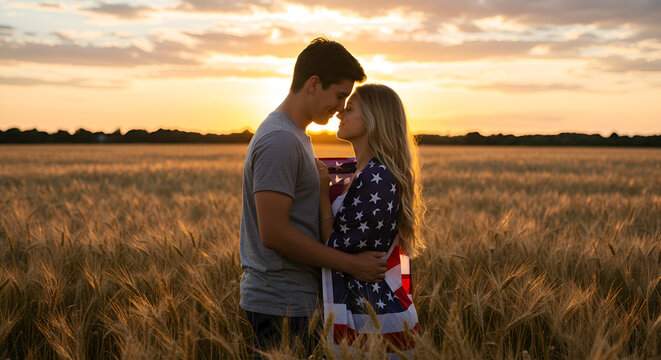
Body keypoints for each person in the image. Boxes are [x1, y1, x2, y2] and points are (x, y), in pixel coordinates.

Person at [239, 37, 388, 358]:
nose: (339, 108)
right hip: (282, 305)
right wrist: (353, 265)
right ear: (314, 83)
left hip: (295, 303)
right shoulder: (280, 140)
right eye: (338, 95)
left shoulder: (294, 136)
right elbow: (274, 233)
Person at [317, 84, 424, 358]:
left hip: (373, 319)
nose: (340, 112)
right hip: (368, 312)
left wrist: (321, 195)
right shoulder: (362, 172)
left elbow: (335, 248)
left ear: (373, 119)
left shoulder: (378, 178)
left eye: (350, 108)